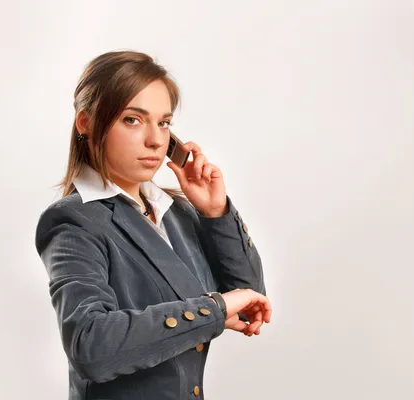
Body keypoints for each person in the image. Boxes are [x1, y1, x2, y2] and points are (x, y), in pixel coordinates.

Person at [34, 50, 271, 400]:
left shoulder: (176, 212)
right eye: (133, 120)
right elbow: (91, 344)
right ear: (86, 123)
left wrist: (215, 212)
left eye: (163, 123)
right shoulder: (75, 220)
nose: (156, 141)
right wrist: (215, 309)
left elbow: (249, 298)